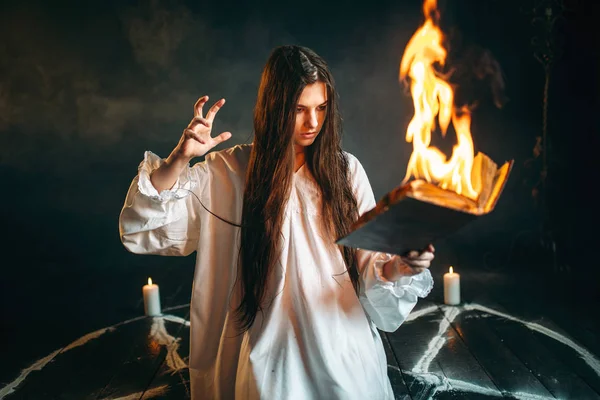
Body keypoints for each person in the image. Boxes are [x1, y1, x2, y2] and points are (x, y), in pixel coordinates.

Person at [119, 45, 435, 400]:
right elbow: (144, 229)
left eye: (321, 108)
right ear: (274, 108)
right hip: (260, 352)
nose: (313, 122)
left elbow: (369, 263)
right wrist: (179, 159)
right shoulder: (229, 173)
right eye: (299, 110)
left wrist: (401, 267)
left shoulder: (346, 172)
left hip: (341, 349)